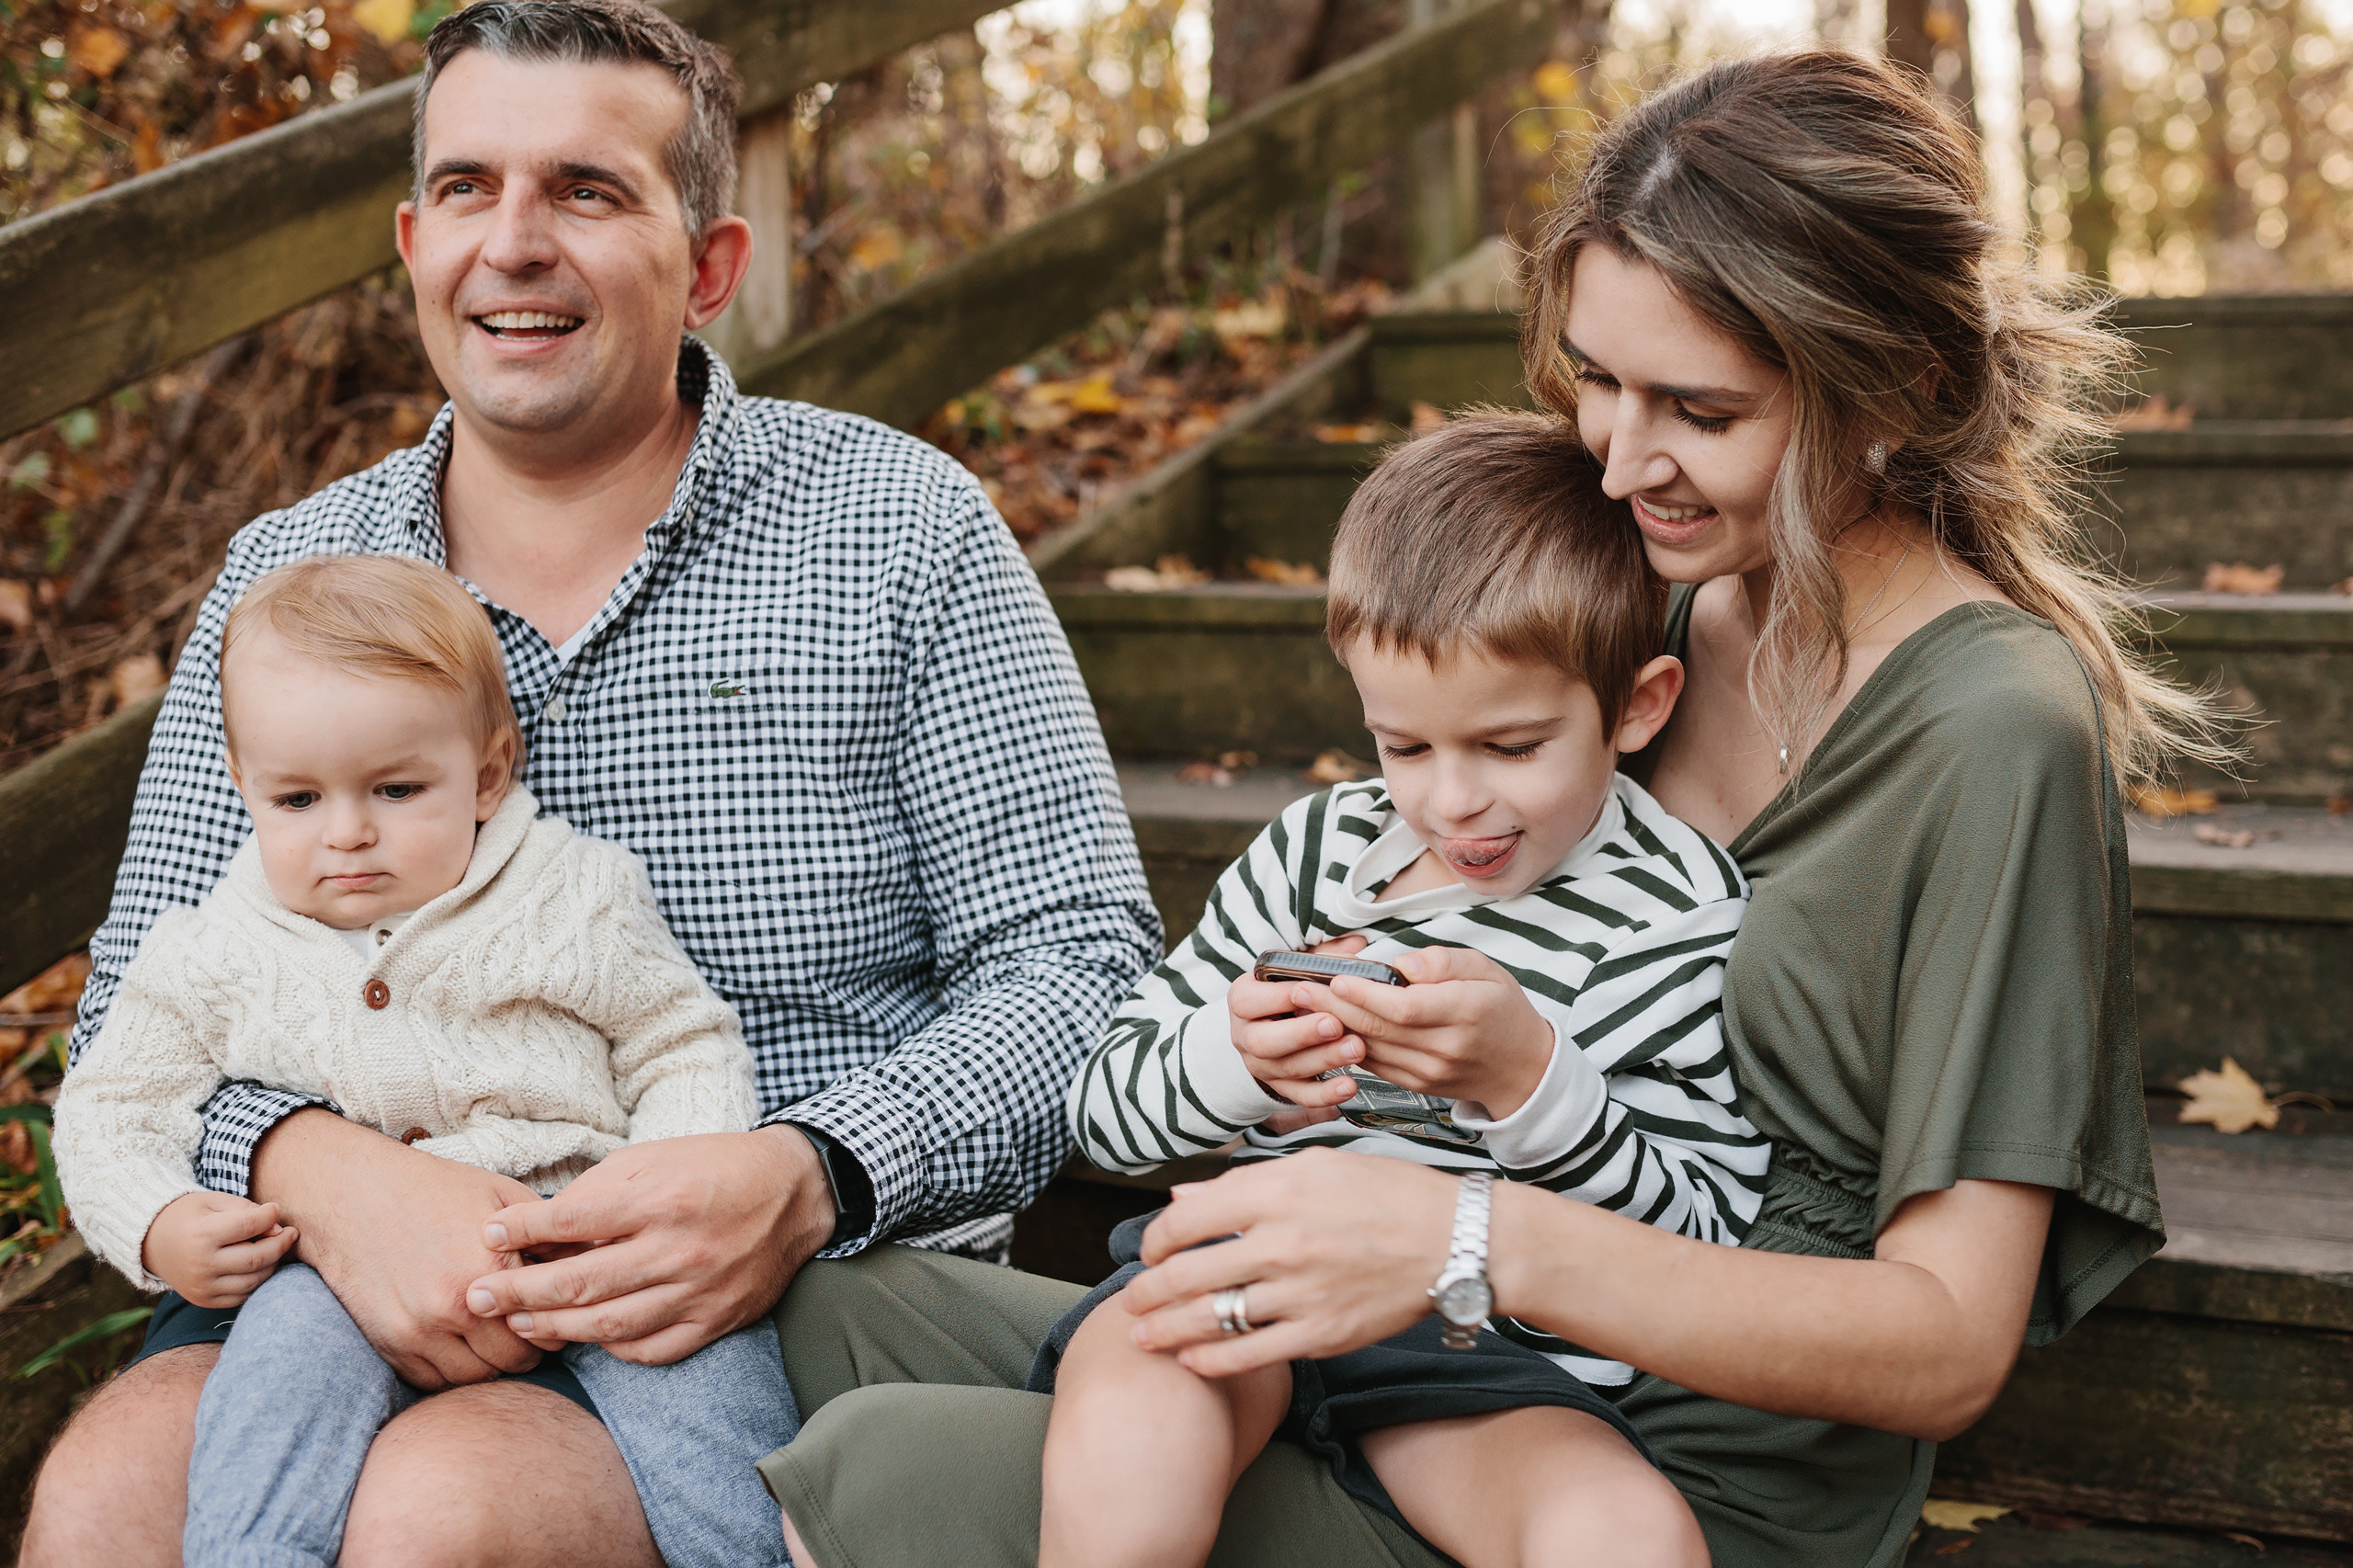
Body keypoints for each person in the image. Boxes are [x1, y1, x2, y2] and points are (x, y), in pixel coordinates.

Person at [752, 49, 2226, 1568]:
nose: (1620, 459)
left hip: (1653, 1454)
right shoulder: (1657, 590)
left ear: (1896, 389)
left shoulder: (1992, 727)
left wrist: (1459, 1239)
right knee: (830, 1305)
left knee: (880, 1462)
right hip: (1382, 1328)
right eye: (1596, 378)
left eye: (1699, 407)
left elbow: (1947, 1344)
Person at [20, 1, 1156, 1562]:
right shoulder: (292, 577)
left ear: (709, 265)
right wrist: (320, 1171)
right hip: (321, 1274)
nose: (515, 243)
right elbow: (131, 1015)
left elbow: (1080, 962)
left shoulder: (901, 532)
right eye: (469, 189)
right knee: (104, 1498)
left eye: (587, 190)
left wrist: (810, 1175)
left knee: (447, 1514)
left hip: (764, 1293)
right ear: (413, 243)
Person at [1035, 412, 1763, 1568]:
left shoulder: (1668, 914)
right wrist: (1237, 1061)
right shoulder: (1315, 852)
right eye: (1405, 747)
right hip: (1255, 1275)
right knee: (1134, 1436)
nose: (1452, 802)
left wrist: (1531, 1083)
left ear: (1638, 703)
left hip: (1481, 1348)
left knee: (1623, 1533)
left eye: (1511, 745)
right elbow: (1107, 1114)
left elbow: (1702, 1235)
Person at [55, 554, 794, 1568]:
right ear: (243, 784)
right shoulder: (215, 949)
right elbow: (111, 1104)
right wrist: (158, 1218)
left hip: (587, 1242)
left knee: (712, 1401)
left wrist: (654, 1189)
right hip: (336, 1271)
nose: (348, 834)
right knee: (273, 1391)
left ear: (487, 773)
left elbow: (680, 1040)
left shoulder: (569, 894)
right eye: (297, 799)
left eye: (396, 789)